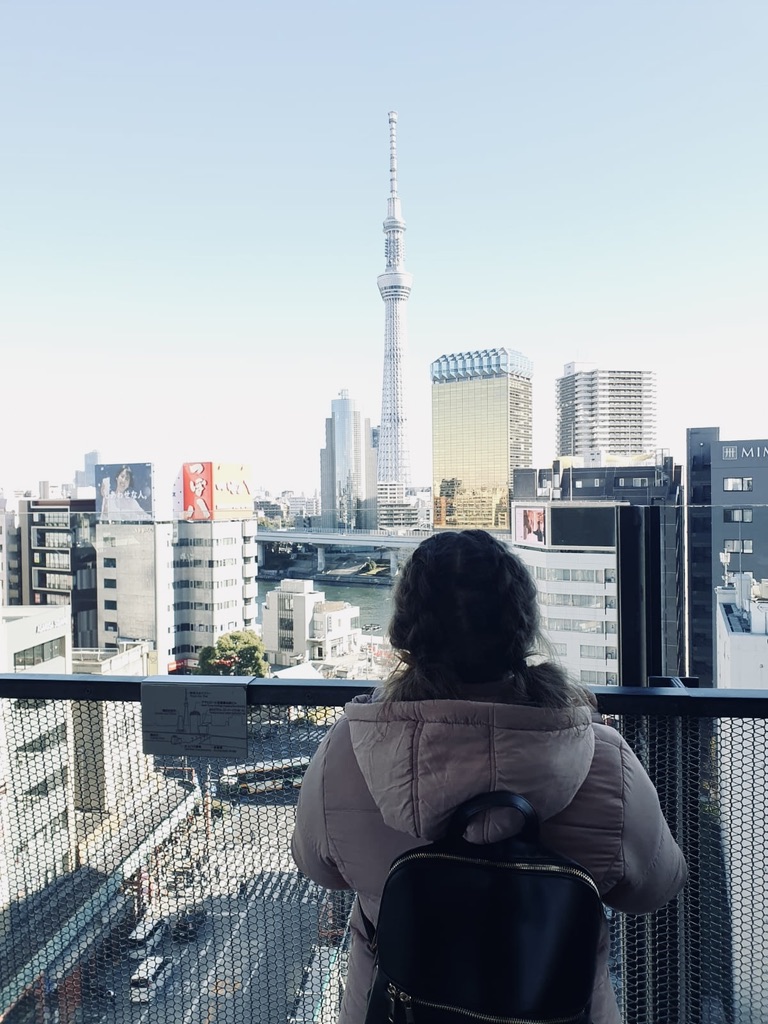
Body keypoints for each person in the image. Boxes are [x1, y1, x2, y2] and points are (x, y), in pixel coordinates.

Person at [291, 529, 687, 1024]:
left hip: (400, 1009)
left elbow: (317, 866)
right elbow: (657, 887)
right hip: (560, 1009)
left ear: (405, 631)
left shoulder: (349, 749)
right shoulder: (601, 757)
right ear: (520, 627)